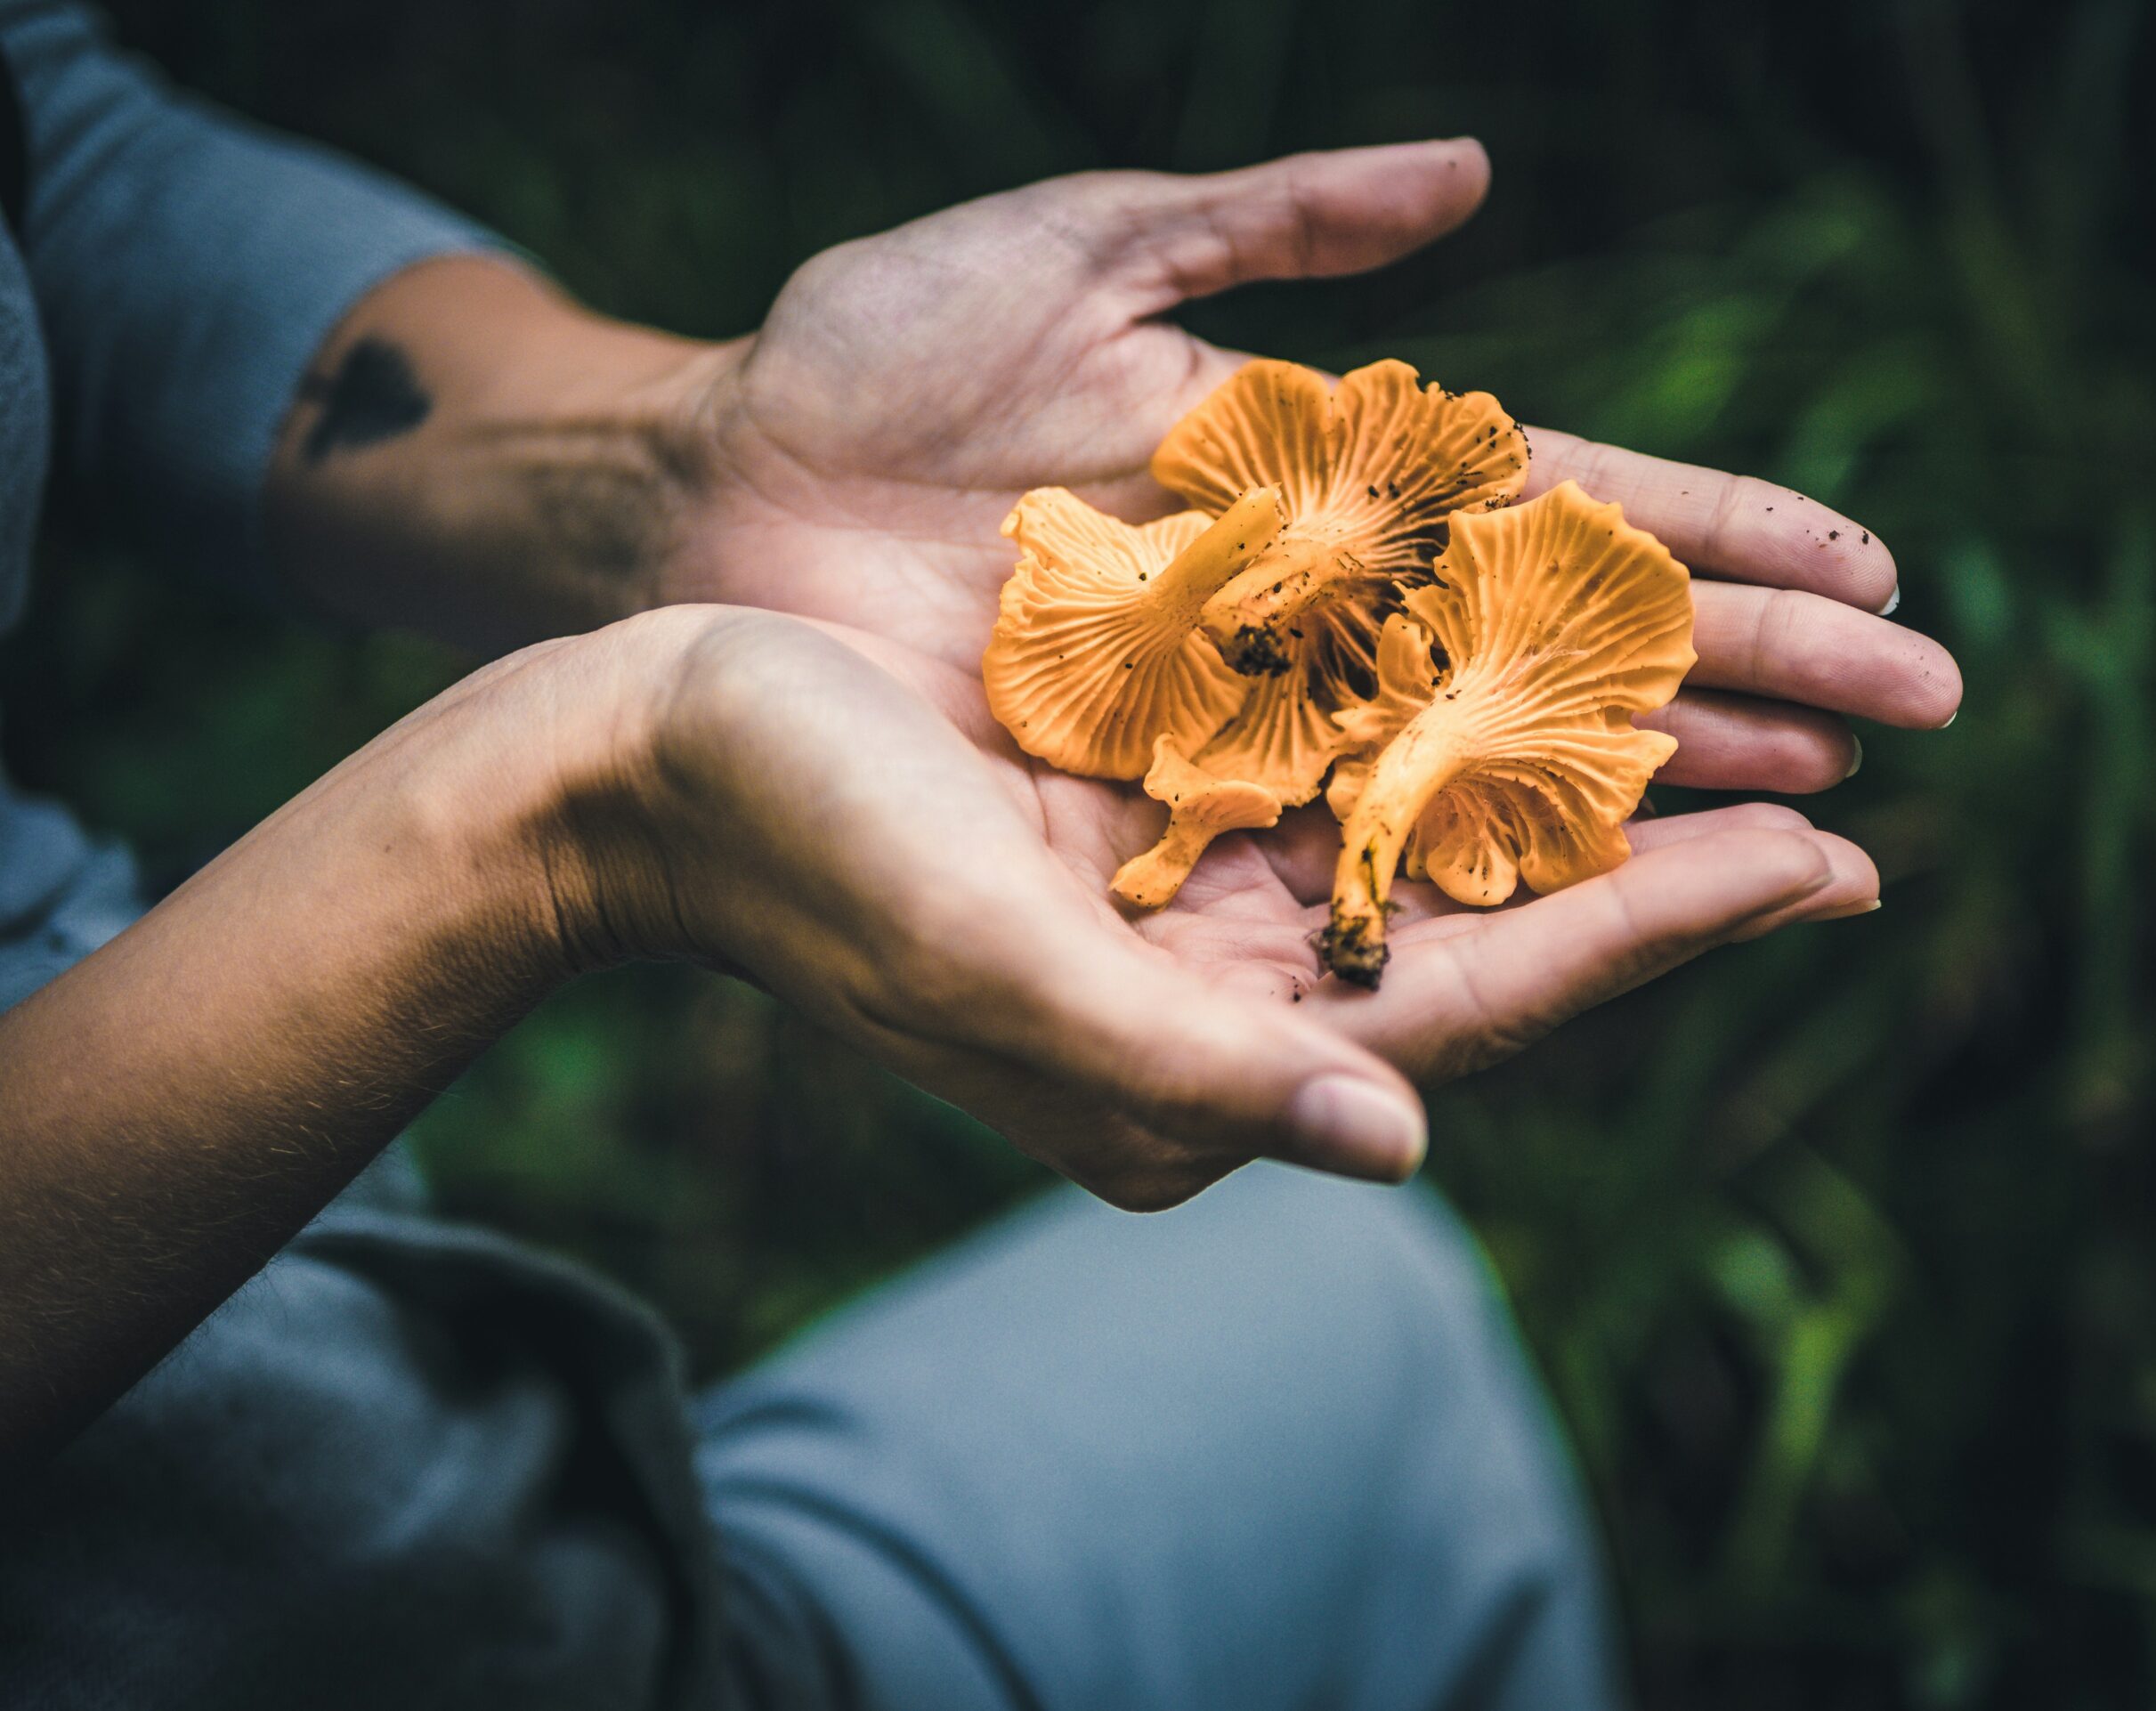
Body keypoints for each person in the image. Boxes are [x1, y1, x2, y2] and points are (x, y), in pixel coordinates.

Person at [0, 5, 1963, 1707]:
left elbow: (50, 157)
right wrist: (566, 809)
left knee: (1356, 1281)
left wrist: (668, 462)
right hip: (300, 1634)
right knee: (1371, 1333)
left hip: (414, 1452)